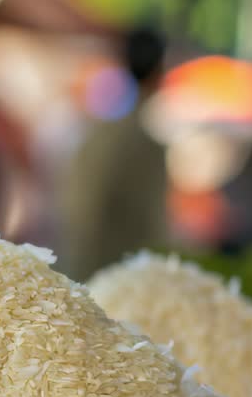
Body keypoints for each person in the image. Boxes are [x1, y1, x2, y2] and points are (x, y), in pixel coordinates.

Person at [55, 26, 168, 281]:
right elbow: (153, 225)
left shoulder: (99, 132)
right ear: (159, 71)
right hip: (115, 272)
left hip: (92, 267)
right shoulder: (141, 142)